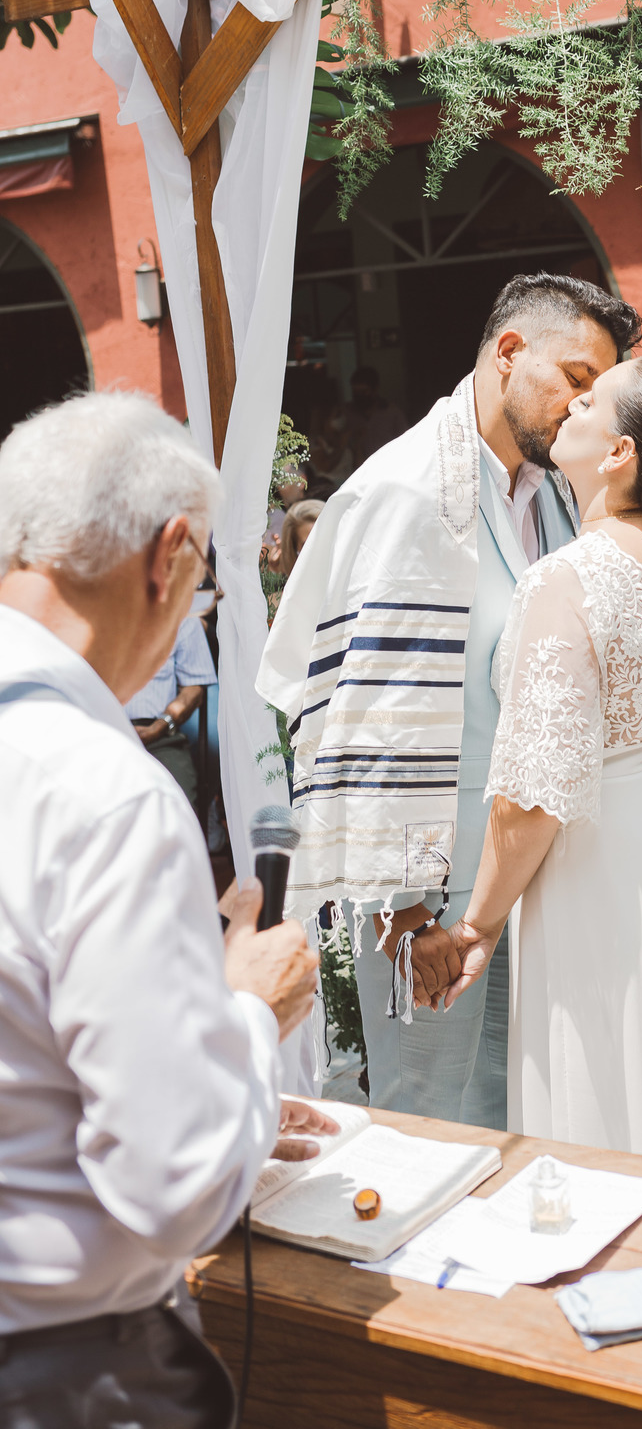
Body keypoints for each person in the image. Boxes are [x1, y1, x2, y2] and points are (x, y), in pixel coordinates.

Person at [0, 391, 326, 1427]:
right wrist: (244, 1017)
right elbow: (174, 1183)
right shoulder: (101, 793)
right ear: (168, 556)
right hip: (64, 1372)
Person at [258, 273, 641, 1130]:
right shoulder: (406, 494)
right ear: (509, 354)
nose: (588, 406)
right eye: (577, 378)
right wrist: (404, 912)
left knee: (516, 1099)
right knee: (427, 1112)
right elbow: (373, 716)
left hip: (521, 864)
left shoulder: (543, 494)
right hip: (430, 886)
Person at [437, 355, 642, 1165]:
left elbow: (534, 794)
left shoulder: (569, 579)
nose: (572, 404)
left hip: (614, 878)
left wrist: (479, 922)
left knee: (623, 1101)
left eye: (591, 403)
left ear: (619, 453)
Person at [124, 609, 217, 806]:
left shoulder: (182, 616)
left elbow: (194, 690)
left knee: (179, 803)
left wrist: (160, 726)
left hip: (159, 735)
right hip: (98, 730)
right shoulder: (91, 608)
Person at [348, 366, 408, 467]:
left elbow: (406, 442)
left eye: (364, 392)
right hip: (357, 470)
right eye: (356, 392)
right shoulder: (347, 413)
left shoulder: (392, 413)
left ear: (375, 389)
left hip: (388, 466)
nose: (359, 396)